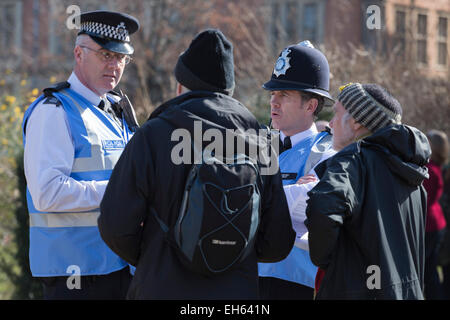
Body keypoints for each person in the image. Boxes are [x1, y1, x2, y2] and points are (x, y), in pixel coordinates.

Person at [97, 29, 295, 299]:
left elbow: (115, 224)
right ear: (229, 91)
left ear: (181, 86)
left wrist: (156, 254)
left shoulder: (153, 135)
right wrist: (228, 252)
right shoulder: (262, 142)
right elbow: (278, 242)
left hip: (162, 287)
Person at [22, 10, 140, 299]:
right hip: (76, 277)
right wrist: (118, 191)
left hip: (117, 269)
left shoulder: (116, 112)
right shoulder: (55, 112)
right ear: (79, 54)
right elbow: (47, 194)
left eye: (121, 58)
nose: (115, 65)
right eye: (105, 55)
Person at [305, 82, 430, 300]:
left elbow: (322, 206)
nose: (331, 123)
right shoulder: (413, 174)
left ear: (356, 122)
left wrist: (329, 262)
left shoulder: (354, 159)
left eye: (337, 113)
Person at [257, 41, 336, 300]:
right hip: (250, 278)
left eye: (284, 95)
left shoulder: (327, 153)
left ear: (311, 106)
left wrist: (257, 195)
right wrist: (288, 192)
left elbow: (309, 203)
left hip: (295, 284)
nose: (273, 102)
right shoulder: (259, 145)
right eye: (273, 94)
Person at [423, 130, 449, 299]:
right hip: (436, 223)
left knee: (427, 271)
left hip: (429, 225)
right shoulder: (435, 168)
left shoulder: (430, 170)